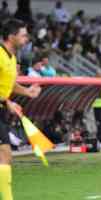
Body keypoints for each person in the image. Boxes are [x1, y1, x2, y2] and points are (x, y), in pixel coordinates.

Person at [0, 19, 41, 200]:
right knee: (5, 155)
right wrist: (7, 102)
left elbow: (8, 84)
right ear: (11, 36)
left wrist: (27, 92)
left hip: (1, 109)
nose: (26, 39)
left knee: (5, 156)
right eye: (23, 35)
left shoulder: (12, 57)